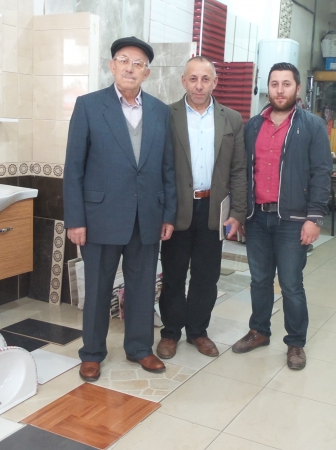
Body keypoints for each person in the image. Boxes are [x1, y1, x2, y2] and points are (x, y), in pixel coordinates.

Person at [64, 36, 177, 382]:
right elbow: (74, 168)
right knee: (98, 289)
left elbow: (167, 167)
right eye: (124, 60)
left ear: (147, 73)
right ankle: (92, 353)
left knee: (142, 287)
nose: (130, 68)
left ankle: (140, 348)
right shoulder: (89, 106)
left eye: (138, 63)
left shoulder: (159, 111)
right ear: (112, 66)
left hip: (147, 217)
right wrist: (75, 220)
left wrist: (168, 214)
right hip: (100, 216)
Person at [231, 62, 331, 370]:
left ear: (297, 89)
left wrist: (314, 218)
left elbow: (321, 172)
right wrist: (240, 213)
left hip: (293, 220)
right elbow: (242, 172)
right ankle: (259, 331)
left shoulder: (312, 126)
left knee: (290, 284)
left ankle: (295, 343)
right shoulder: (253, 126)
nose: (280, 90)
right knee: (259, 280)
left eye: (286, 84)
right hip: (257, 218)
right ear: (268, 88)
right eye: (274, 84)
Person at [156, 56, 247, 359]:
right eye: (193, 79)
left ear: (214, 82)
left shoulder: (231, 119)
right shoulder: (166, 116)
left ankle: (197, 331)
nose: (199, 85)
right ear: (183, 81)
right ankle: (170, 332)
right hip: (177, 209)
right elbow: (158, 168)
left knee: (206, 277)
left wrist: (237, 213)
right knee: (173, 274)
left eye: (205, 79)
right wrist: (162, 211)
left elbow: (238, 170)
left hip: (213, 210)